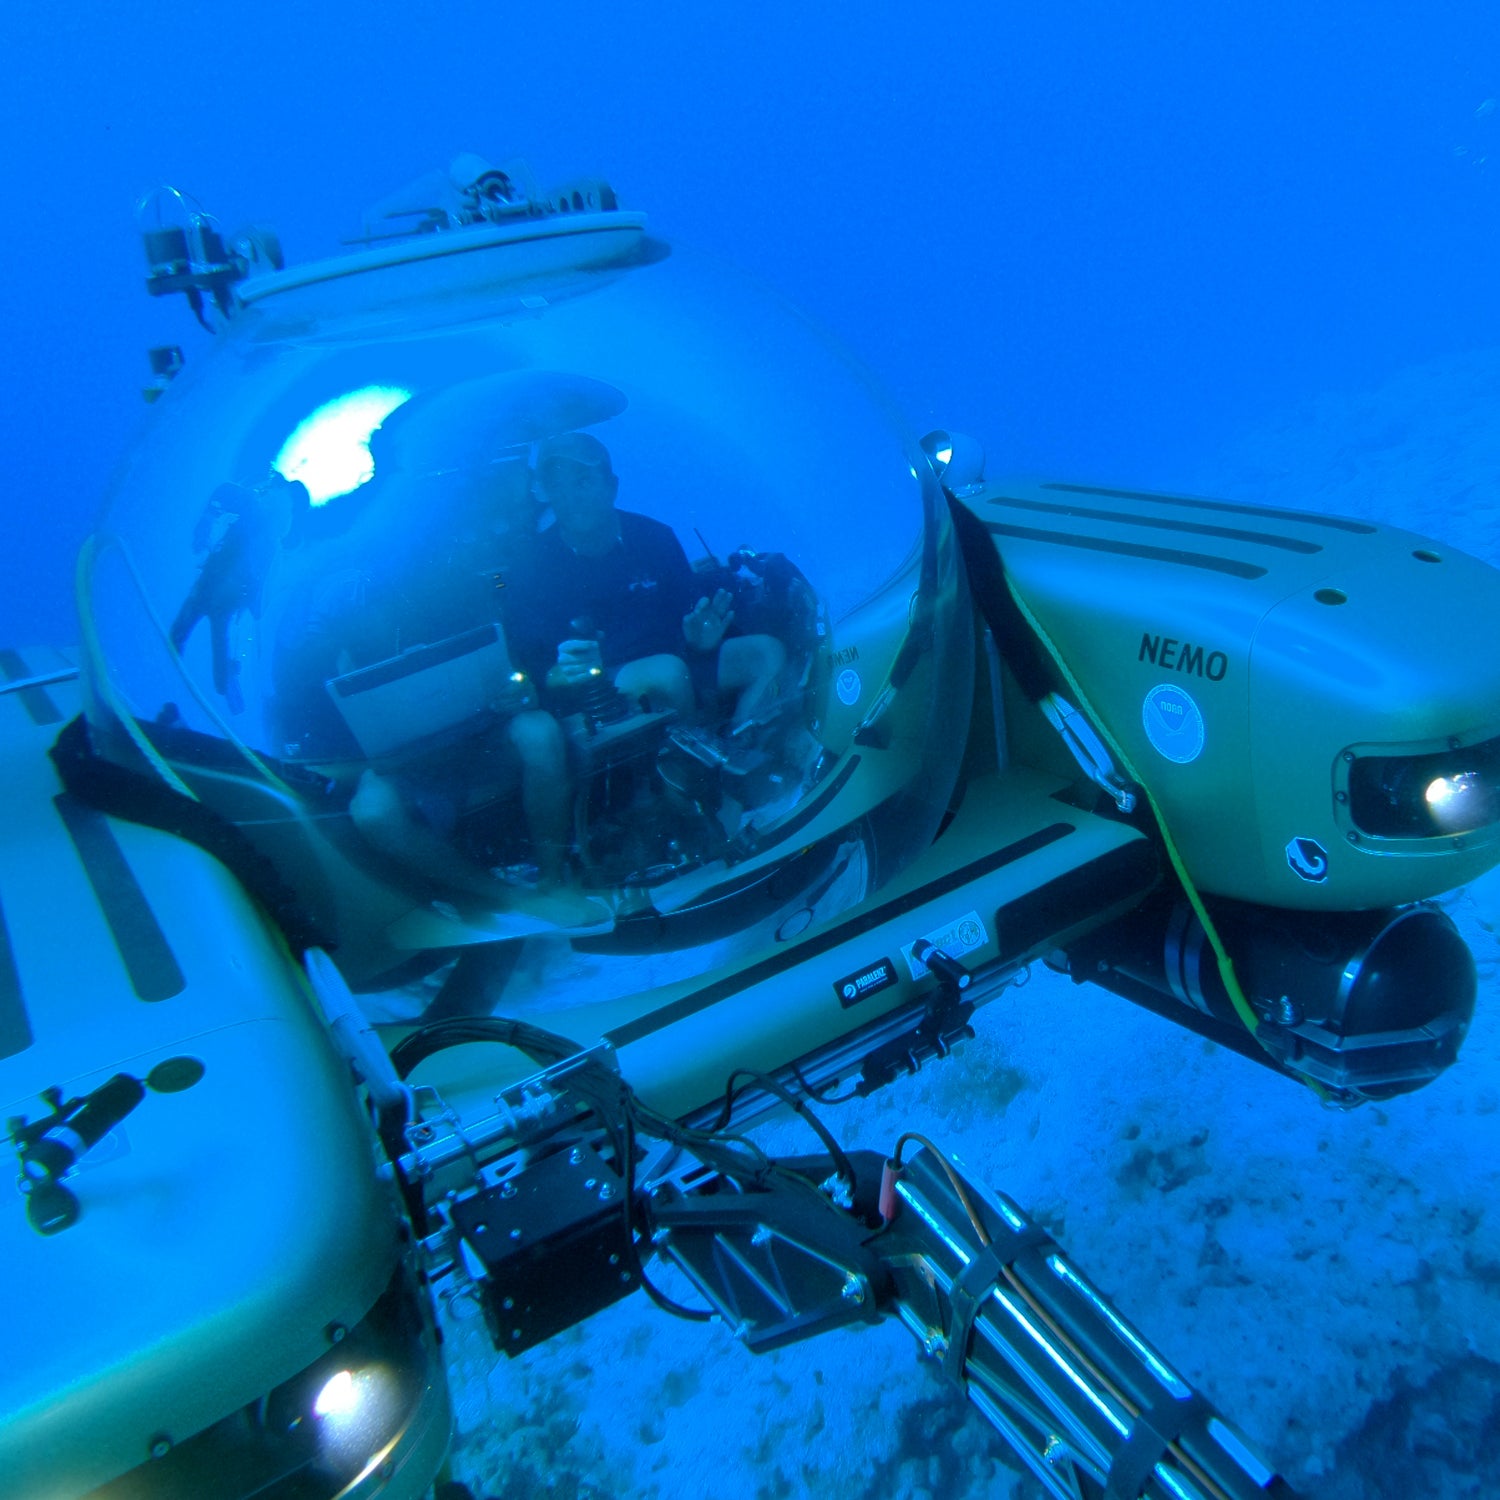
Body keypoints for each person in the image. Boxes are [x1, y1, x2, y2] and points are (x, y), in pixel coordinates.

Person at [505, 432, 785, 726]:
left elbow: (692, 620)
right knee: (668, 672)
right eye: (556, 487)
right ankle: (691, 765)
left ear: (612, 486)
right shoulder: (532, 568)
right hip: (598, 686)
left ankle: (738, 743)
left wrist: (700, 641)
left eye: (583, 481)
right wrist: (564, 672)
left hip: (677, 658)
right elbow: (538, 667)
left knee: (767, 653)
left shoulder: (657, 538)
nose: (570, 498)